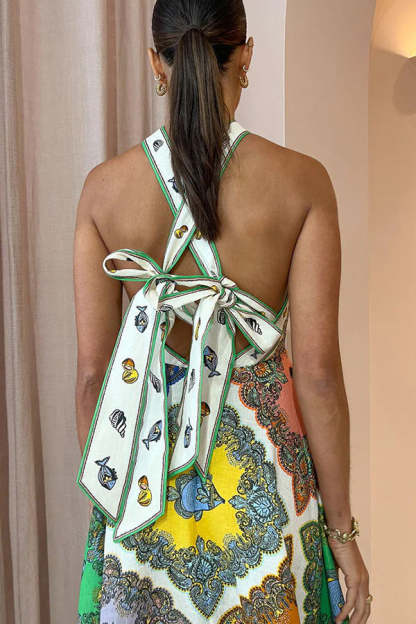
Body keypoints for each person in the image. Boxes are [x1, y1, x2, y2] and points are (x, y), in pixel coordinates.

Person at [73, 1, 371, 623]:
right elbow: (318, 376)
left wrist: (108, 513)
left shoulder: (103, 191)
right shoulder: (302, 183)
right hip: (266, 496)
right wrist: (343, 535)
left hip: (147, 489)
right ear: (246, 54)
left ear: (156, 62)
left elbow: (94, 378)